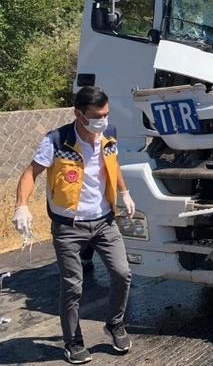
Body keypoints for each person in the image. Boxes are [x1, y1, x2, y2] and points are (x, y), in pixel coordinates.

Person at [11, 86, 136, 364]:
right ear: (78, 114)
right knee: (73, 287)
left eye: (106, 114)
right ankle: (73, 341)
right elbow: (31, 172)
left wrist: (124, 192)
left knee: (122, 273)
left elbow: (112, 164)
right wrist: (21, 205)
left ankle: (114, 324)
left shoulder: (109, 134)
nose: (103, 120)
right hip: (69, 227)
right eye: (97, 116)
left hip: (104, 222)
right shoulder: (57, 140)